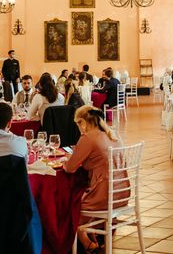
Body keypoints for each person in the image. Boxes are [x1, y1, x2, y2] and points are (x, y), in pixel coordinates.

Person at [64, 106, 123, 252]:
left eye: (77, 124)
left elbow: (69, 168)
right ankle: (91, 238)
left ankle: (85, 242)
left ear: (83, 122)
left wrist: (67, 159)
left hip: (103, 197)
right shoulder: (111, 134)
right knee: (80, 194)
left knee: (69, 203)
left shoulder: (88, 138)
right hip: (121, 194)